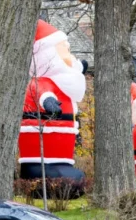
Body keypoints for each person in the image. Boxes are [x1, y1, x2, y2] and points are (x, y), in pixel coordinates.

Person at [18, 20, 88, 182]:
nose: (72, 57)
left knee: (71, 176)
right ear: (49, 55)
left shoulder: (64, 84)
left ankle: (61, 166)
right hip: (40, 153)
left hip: (62, 153)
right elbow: (40, 92)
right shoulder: (41, 82)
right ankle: (39, 171)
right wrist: (48, 101)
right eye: (67, 51)